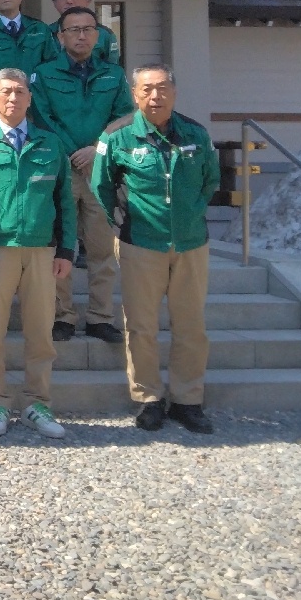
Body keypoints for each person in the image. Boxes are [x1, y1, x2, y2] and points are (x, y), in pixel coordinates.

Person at [92, 64, 219, 435]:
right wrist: (123, 225)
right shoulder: (117, 136)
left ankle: (187, 400)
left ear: (174, 92)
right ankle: (148, 398)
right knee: (141, 327)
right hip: (141, 244)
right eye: (147, 89)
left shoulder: (195, 133)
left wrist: (191, 216)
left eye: (162, 88)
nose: (155, 96)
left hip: (190, 244)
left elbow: (211, 179)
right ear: (134, 94)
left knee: (191, 327)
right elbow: (101, 187)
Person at [0, 68, 76, 439]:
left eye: (19, 92)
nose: (12, 98)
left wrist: (67, 248)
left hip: (42, 251)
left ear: (29, 98)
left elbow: (65, 202)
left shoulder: (50, 144)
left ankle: (37, 403)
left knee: (41, 331)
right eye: (5, 92)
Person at [31, 6, 132, 344]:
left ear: (98, 34)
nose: (81, 35)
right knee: (60, 247)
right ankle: (63, 316)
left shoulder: (114, 75)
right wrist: (74, 151)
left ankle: (101, 317)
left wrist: (97, 148)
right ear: (60, 36)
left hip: (101, 172)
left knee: (102, 249)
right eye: (73, 29)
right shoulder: (44, 74)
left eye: (88, 29)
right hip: (62, 170)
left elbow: (125, 117)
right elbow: (41, 118)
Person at [49, 0, 120, 66]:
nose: (69, 1)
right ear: (54, 1)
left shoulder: (105, 35)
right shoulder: (46, 33)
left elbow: (112, 71)